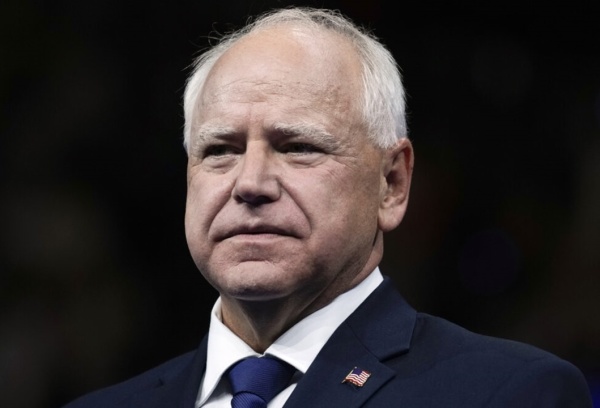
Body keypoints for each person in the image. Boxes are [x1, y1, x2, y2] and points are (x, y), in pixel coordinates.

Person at [63, 6, 593, 407]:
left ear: (392, 184)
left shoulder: (510, 393)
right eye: (220, 149)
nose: (250, 183)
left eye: (298, 147)